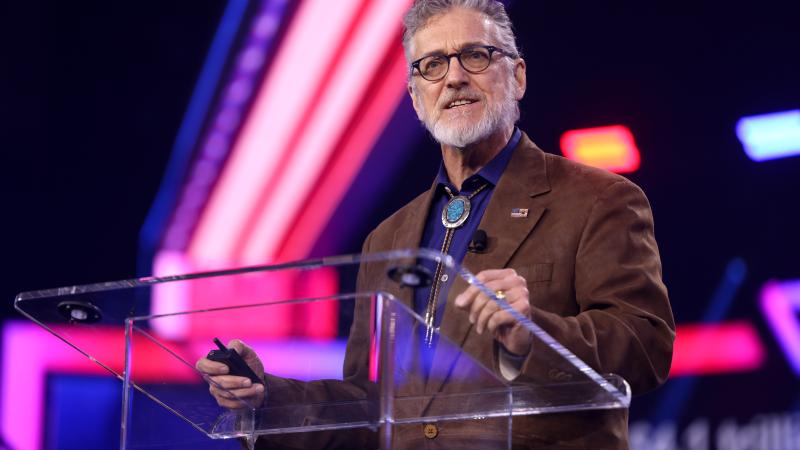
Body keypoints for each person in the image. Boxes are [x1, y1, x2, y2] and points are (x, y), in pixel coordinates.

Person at [196, 1, 675, 448]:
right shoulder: (387, 238)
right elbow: (369, 403)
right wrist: (267, 400)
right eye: (433, 65)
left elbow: (646, 346)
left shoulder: (598, 200)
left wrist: (534, 335)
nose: (455, 78)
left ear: (519, 76)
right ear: (414, 94)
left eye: (476, 56)